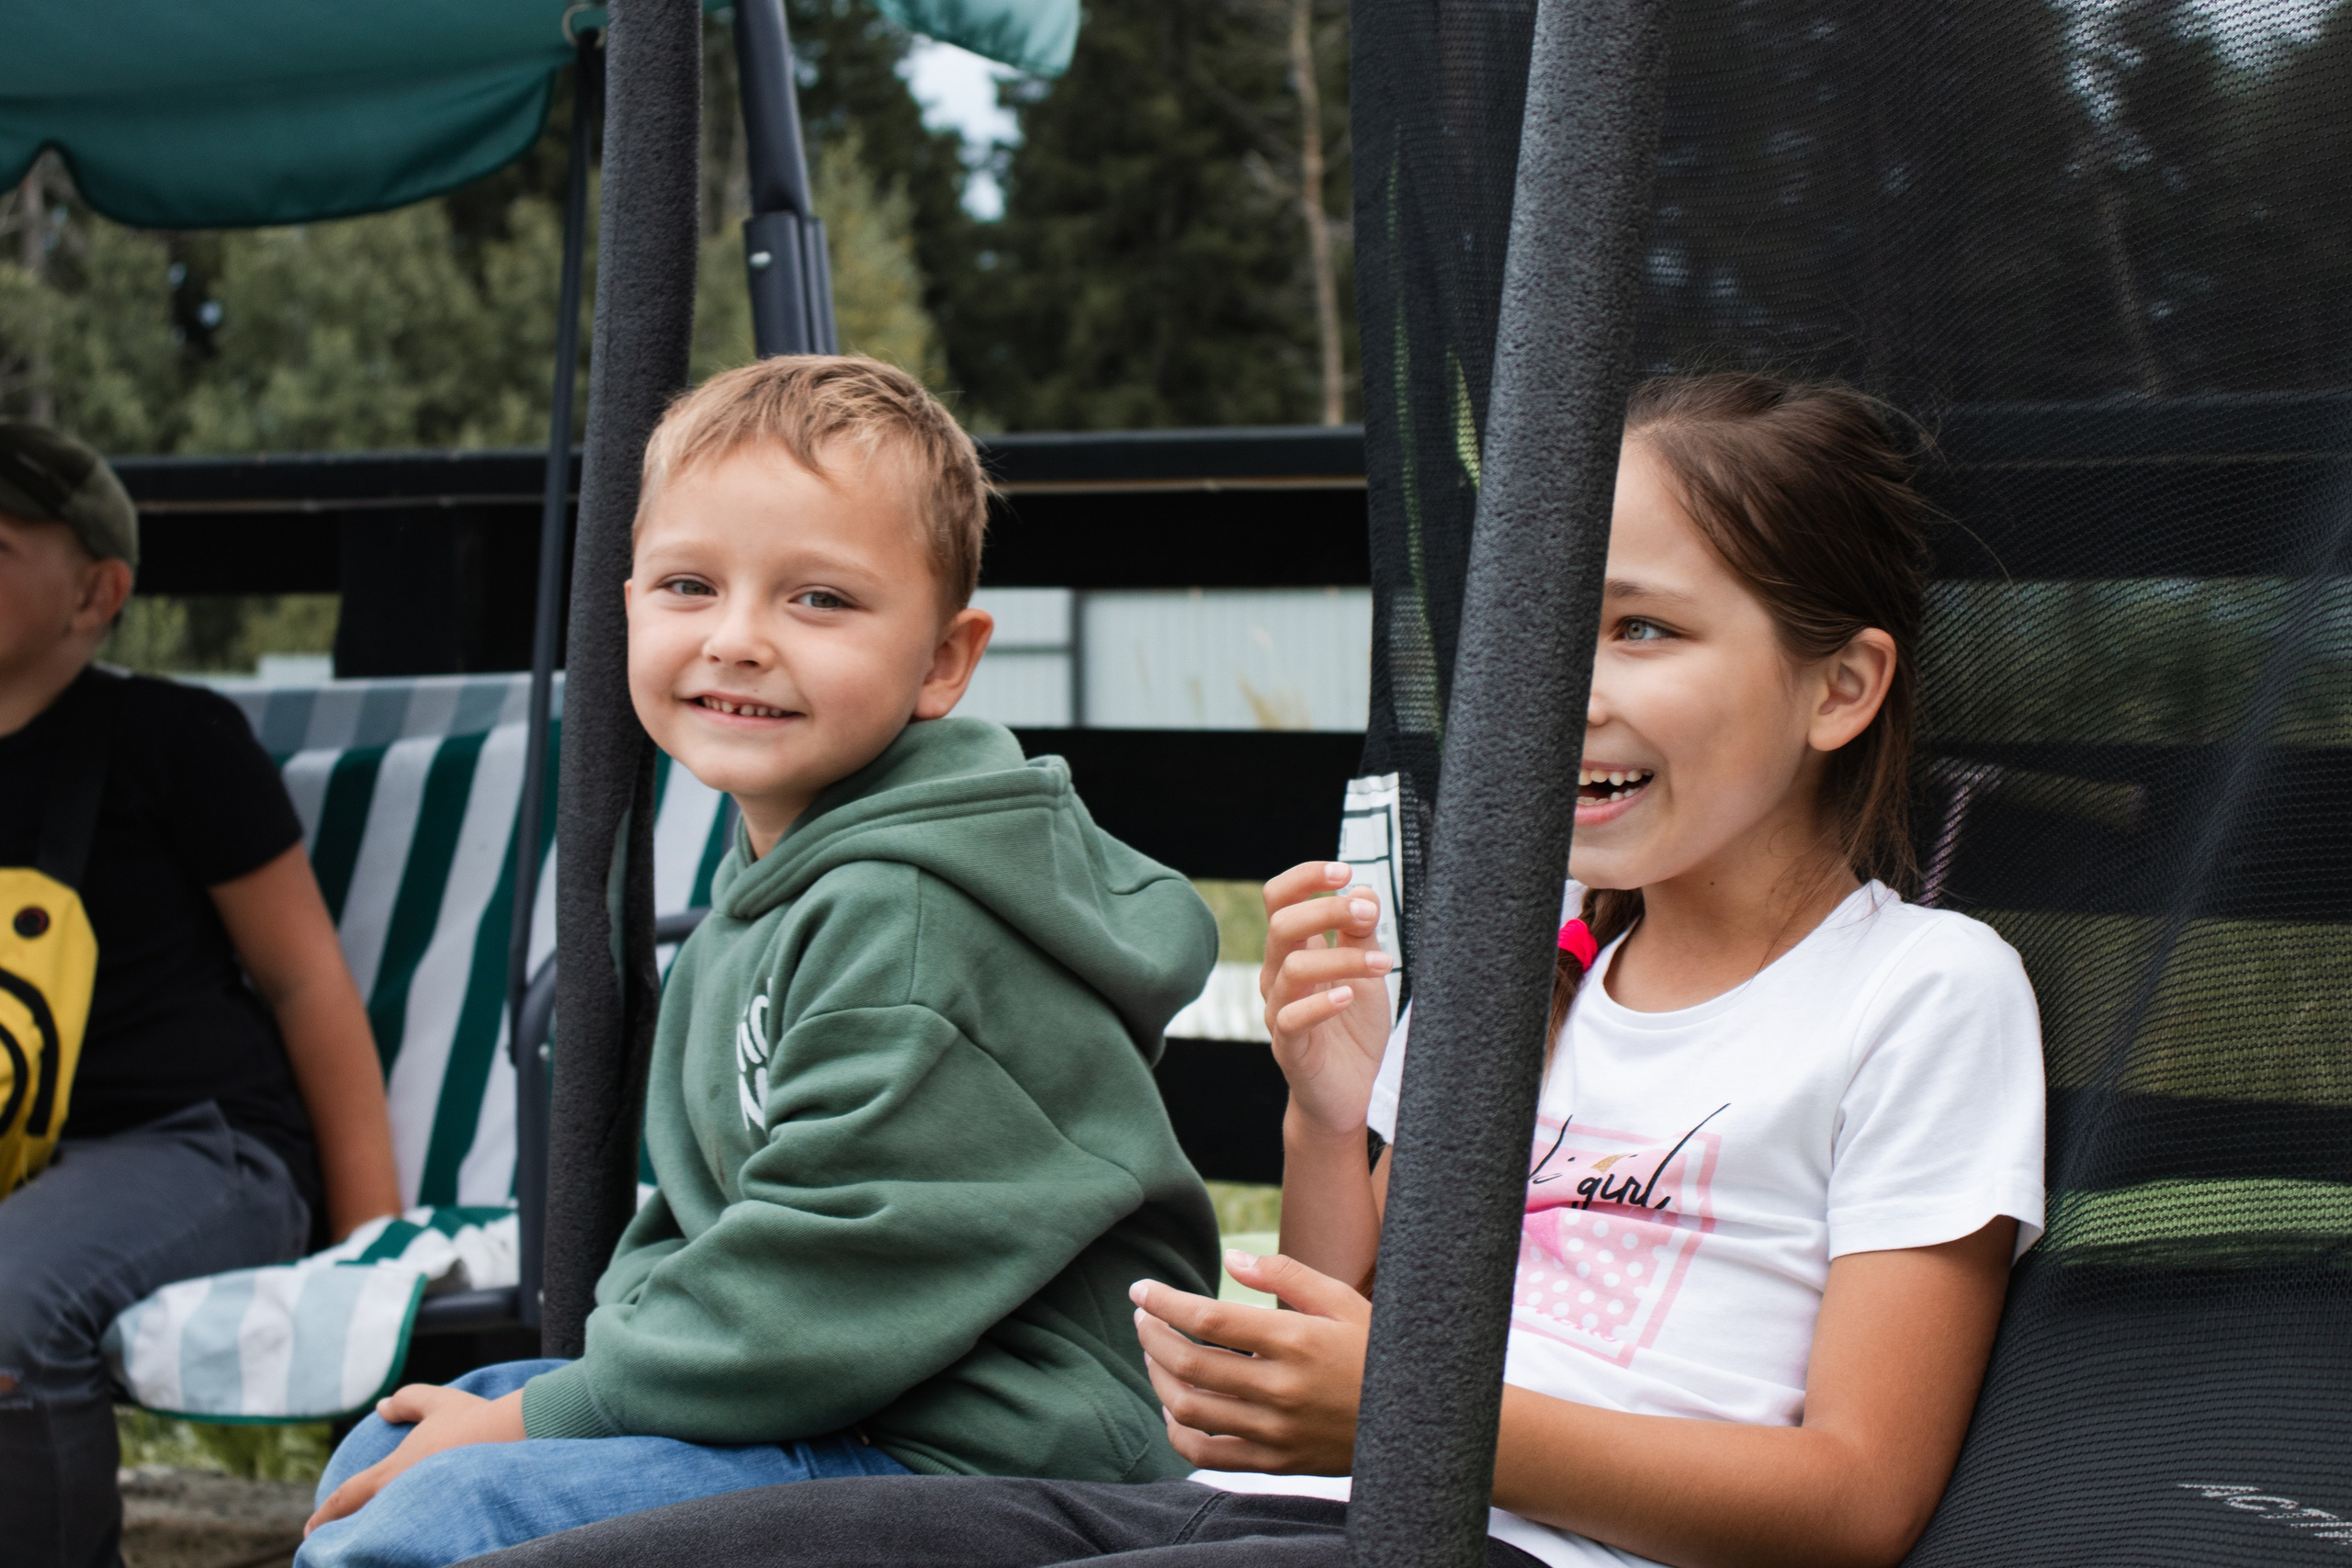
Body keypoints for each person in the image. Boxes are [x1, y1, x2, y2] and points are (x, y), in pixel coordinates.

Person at [459, 372, 2048, 1568]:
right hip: (1266, 1506)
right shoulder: (1541, 972)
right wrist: (1326, 1113)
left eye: (1640, 629)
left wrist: (1406, 1412)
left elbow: (1856, 1497)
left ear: (1840, 686)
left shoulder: (1920, 992)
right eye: (1543, 628)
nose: (1563, 687)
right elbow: (1347, 1322)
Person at [295, 355, 1223, 1568]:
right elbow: (706, 1221)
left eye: (819, 600)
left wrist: (540, 1422)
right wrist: (560, 1399)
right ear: (629, 604)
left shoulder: (908, 917)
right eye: (689, 585)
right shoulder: (785, 881)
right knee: (394, 1446)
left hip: (983, 1448)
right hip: (832, 1394)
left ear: (943, 660)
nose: (736, 640)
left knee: (445, 1512)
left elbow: (827, 1276)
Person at [0, 421, 401, 1568]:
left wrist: (374, 1246)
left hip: (195, 1150)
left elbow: (305, 983)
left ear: (96, 594)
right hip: (22, 1161)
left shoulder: (172, 740)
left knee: (7, 1303)